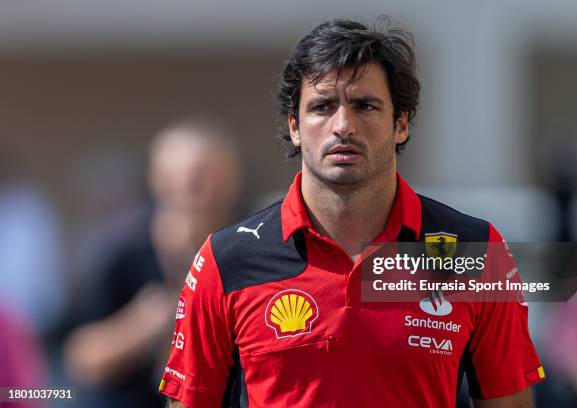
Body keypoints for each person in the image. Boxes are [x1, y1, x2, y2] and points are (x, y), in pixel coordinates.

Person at [159, 19, 545, 407]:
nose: (343, 126)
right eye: (323, 106)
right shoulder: (226, 260)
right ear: (295, 126)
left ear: (400, 124)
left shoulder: (474, 251)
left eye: (364, 106)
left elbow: (510, 402)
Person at [63, 116, 241, 407]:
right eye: (177, 177)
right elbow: (80, 359)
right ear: (155, 179)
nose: (190, 188)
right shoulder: (120, 251)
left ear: (231, 179)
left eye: (204, 175)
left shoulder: (252, 248)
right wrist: (141, 326)